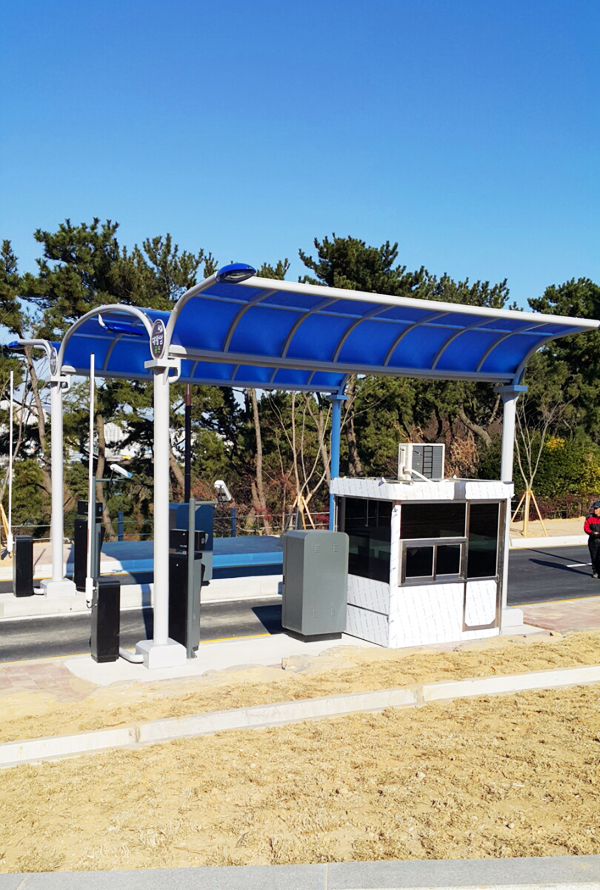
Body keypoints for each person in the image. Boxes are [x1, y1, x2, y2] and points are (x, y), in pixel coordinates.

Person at [584, 501, 600, 578]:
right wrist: (593, 533)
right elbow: (586, 528)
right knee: (594, 557)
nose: (595, 510)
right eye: (594, 508)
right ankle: (595, 571)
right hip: (593, 540)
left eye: (597, 508)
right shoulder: (589, 517)